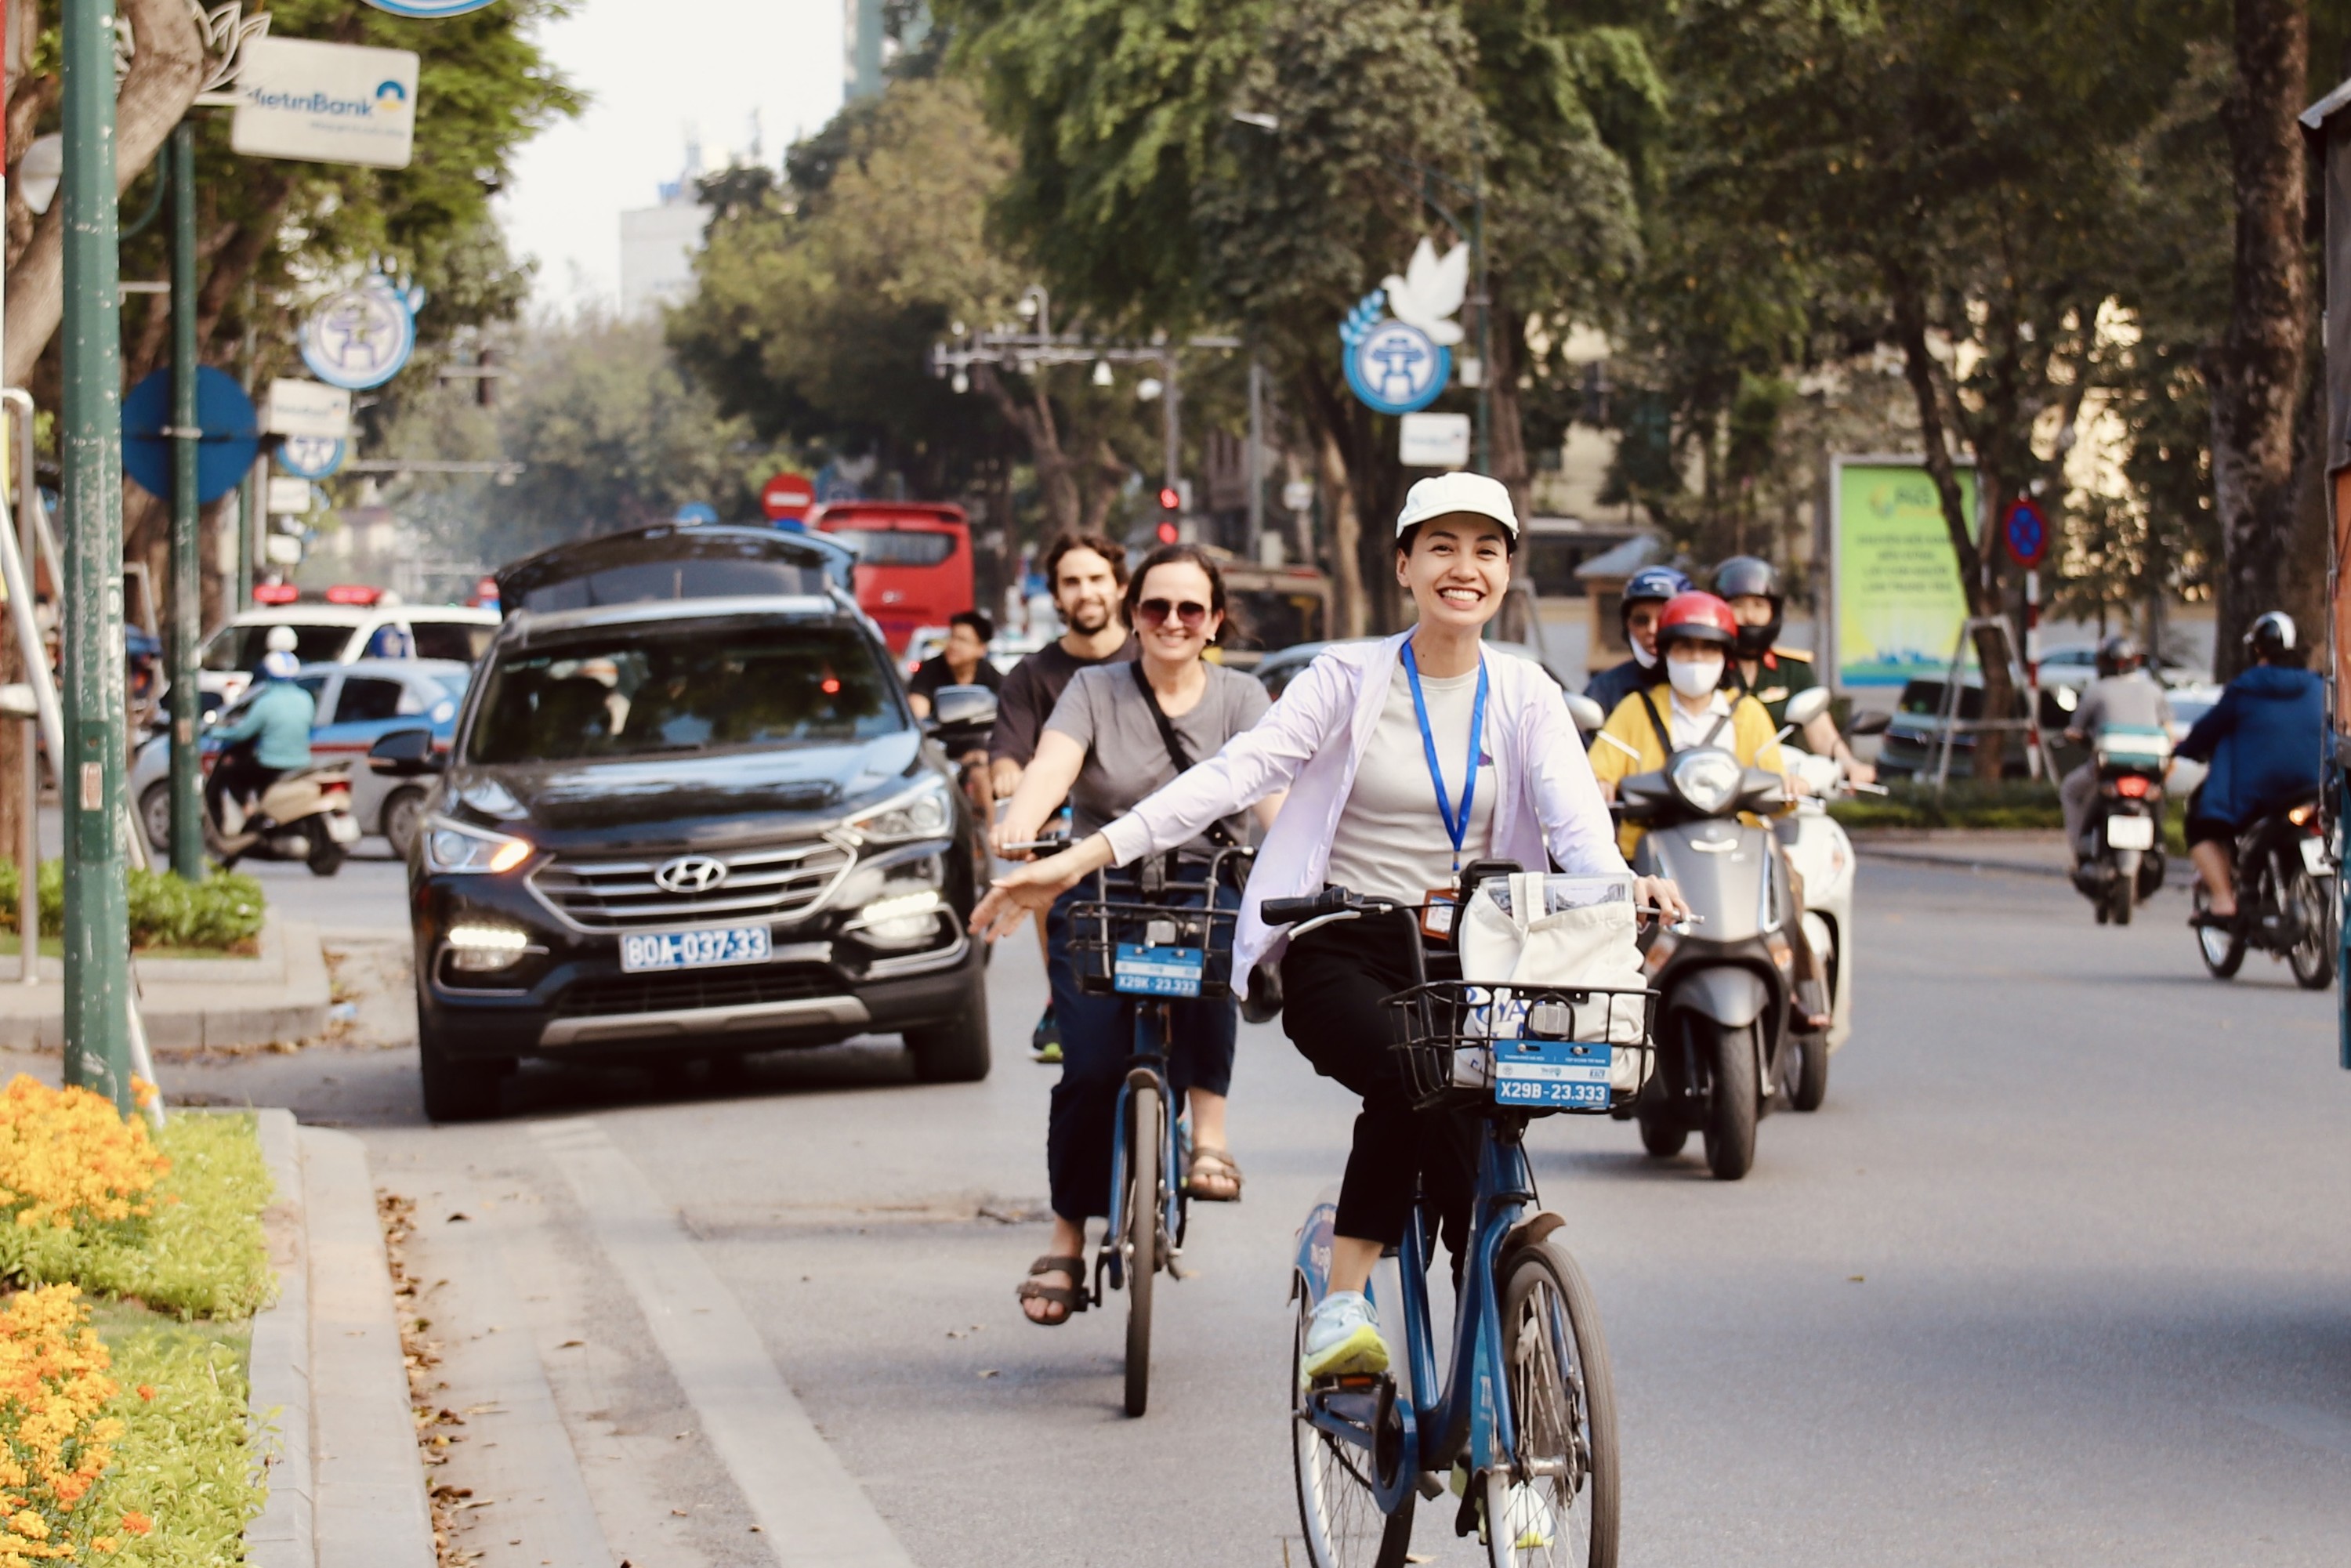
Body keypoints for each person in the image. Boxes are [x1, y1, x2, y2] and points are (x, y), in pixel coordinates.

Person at [970, 472, 1689, 1374]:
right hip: (1344, 943)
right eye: (1442, 548)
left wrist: (1623, 885)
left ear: (1507, 573)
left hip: (1479, 956)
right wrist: (1081, 856)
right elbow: (1231, 777)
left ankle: (1500, 1428)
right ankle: (1343, 1305)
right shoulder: (1346, 679)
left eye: (1486, 551)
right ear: (1404, 565)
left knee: (1475, 1166)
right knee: (1414, 1074)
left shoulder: (1528, 693)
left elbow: (1576, 822)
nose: (1464, 569)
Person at [990, 545, 1283, 1327]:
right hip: (1101, 888)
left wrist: (1304, 864)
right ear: (1134, 615)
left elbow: (1274, 798)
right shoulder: (1093, 688)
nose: (1174, 623)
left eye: (1192, 610)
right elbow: (1053, 767)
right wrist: (1022, 823)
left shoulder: (1244, 697)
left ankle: (1209, 1133)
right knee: (1085, 1071)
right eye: (1157, 608)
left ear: (1215, 620)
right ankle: (1065, 1239)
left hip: (1205, 885)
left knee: (1225, 940)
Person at [1585, 591, 1829, 1030]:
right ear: (1667, 653)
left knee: (1788, 881)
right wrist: (1601, 783)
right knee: (1610, 907)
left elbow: (1774, 778)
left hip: (1737, 843)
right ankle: (1605, 1005)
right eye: (1685, 648)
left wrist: (1792, 784)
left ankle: (1794, 987)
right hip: (1651, 845)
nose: (1696, 659)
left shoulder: (1748, 713)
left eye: (1708, 648)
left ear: (1725, 656)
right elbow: (1600, 767)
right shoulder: (1635, 710)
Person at [990, 534, 1138, 1064]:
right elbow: (1009, 756)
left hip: (1148, 828)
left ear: (1120, 587)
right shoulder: (1030, 676)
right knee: (1041, 859)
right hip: (1065, 832)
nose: (1086, 592)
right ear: (1054, 596)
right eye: (1071, 582)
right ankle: (1063, 989)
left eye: (1097, 579)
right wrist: (1011, 785)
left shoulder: (1151, 658)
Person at [2176, 611, 2324, 924]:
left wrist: (2184, 750)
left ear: (2257, 650)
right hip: (2314, 785)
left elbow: (2207, 731)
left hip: (2260, 793)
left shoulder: (2245, 688)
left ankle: (2222, 900)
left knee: (2201, 825)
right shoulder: (2317, 687)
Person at [1712, 556, 1875, 785]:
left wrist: (1850, 765)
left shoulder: (1792, 669)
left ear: (1774, 611)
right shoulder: (1708, 668)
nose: (1748, 615)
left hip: (1783, 785)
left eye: (1759, 606)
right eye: (1737, 605)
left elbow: (1820, 731)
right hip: (1715, 783)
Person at [2058, 634, 2174, 862]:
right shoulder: (2153, 690)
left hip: (2107, 768)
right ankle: (2159, 844)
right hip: (2150, 769)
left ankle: (2079, 845)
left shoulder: (2096, 691)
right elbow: (2168, 730)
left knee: (2070, 790)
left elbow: (2074, 731)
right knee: (2159, 798)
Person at [206, 650, 315, 834]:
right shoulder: (306, 699)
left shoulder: (266, 702)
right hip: (302, 762)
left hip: (270, 764)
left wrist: (217, 733)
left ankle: (249, 811)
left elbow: (242, 733)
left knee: (230, 772)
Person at [1583, 565, 1690, 718]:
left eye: (1664, 618)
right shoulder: (1604, 690)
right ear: (1627, 626)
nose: (1652, 629)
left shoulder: (1719, 685)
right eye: (1641, 620)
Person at [905, 610, 1003, 720]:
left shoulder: (990, 675)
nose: (954, 645)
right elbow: (919, 714)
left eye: (963, 640)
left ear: (981, 649)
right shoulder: (928, 671)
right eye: (952, 637)